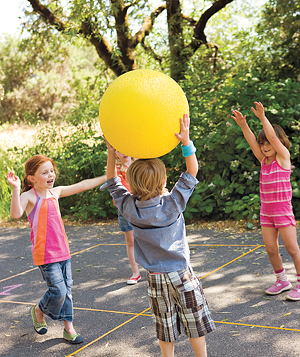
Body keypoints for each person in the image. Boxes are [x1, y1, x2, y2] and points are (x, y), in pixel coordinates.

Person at [101, 114, 215, 357]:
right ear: (164, 180)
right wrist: (186, 141)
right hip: (181, 275)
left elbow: (112, 181)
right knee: (194, 322)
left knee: (165, 325)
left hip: (155, 278)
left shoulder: (128, 208)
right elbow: (192, 169)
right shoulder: (173, 203)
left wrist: (112, 152)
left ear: (130, 184)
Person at [6, 155, 107, 343]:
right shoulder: (28, 196)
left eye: (51, 171)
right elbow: (15, 214)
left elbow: (83, 185)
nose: (50, 175)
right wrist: (16, 188)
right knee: (58, 291)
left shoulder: (55, 193)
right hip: (45, 255)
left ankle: (69, 328)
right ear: (32, 178)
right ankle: (38, 310)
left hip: (64, 251)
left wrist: (109, 176)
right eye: (44, 172)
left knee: (67, 291)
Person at [232, 101, 300, 300]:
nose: (264, 146)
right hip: (267, 213)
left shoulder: (283, 157)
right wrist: (244, 125)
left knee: (292, 249)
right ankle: (282, 280)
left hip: (283, 212)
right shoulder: (263, 161)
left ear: (278, 143)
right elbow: (253, 141)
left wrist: (262, 118)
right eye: (262, 144)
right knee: (271, 249)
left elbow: (270, 135)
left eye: (268, 143)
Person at [114, 151, 141, 284]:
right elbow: (120, 188)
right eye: (119, 150)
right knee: (130, 241)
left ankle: (152, 267)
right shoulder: (116, 169)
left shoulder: (138, 165)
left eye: (125, 149)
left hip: (141, 206)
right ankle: (135, 272)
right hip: (125, 209)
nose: (123, 153)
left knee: (146, 238)